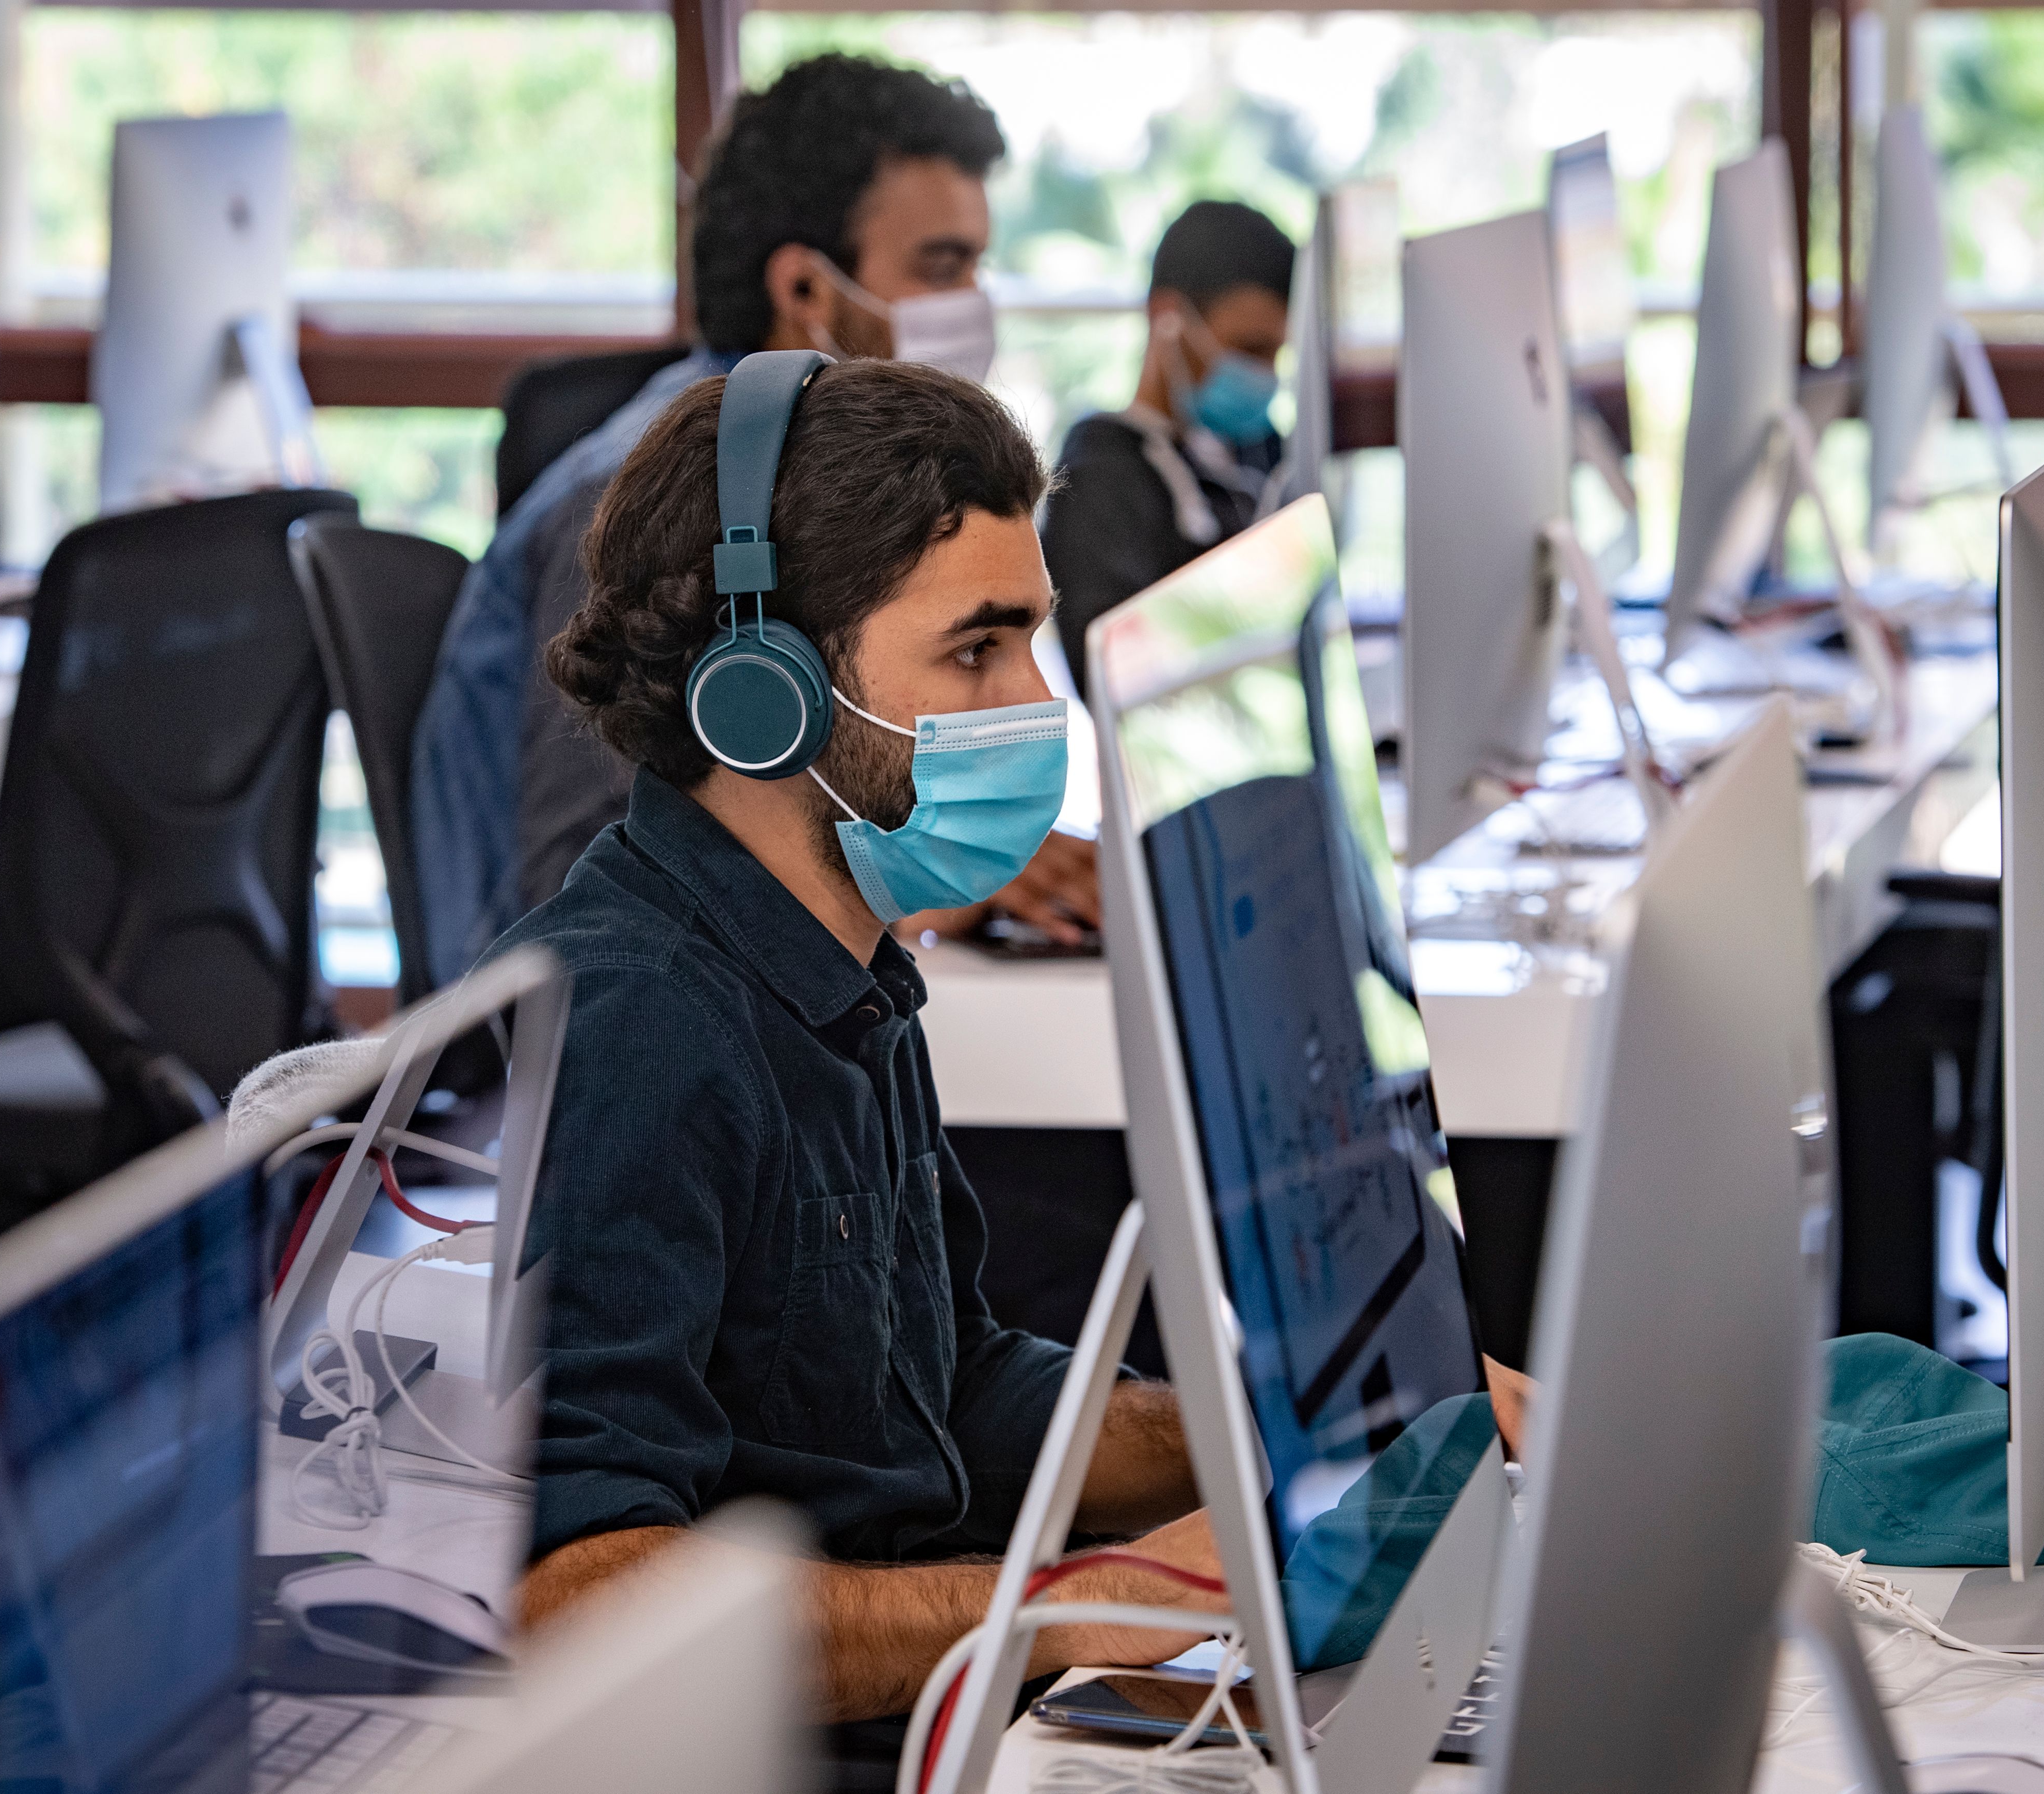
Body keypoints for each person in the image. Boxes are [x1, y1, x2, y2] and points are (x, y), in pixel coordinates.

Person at [493, 353, 1532, 1736]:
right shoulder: (638, 1023)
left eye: (1033, 640)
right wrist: (1065, 1604)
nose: (1033, 701)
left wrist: (1287, 1433)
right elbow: (576, 1595)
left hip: (967, 1702)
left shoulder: (846, 959)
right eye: (977, 646)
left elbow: (958, 1384)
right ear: (767, 692)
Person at [408, 54, 1098, 992]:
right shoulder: (648, 499)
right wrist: (914, 893)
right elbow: (571, 897)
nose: (972, 306)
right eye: (941, 266)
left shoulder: (811, 488)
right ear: (805, 293)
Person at [1041, 200, 1296, 698]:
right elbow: (1117, 687)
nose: (1265, 376)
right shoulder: (1098, 476)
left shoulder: (1266, 457)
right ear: (1167, 317)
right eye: (1249, 349)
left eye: (1278, 355)